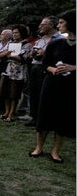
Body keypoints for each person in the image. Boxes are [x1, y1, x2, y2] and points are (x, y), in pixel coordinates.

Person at [29, 9, 76, 163]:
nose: (59, 24)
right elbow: (45, 64)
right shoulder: (56, 42)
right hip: (51, 83)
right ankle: (38, 148)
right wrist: (53, 69)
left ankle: (55, 152)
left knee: (63, 117)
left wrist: (73, 67)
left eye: (62, 22)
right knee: (44, 115)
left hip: (70, 86)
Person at [25, 16, 63, 127]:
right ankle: (34, 117)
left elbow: (59, 55)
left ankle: (45, 119)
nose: (40, 26)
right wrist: (32, 53)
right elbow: (33, 53)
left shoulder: (59, 39)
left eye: (43, 24)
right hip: (35, 67)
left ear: (51, 25)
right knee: (34, 92)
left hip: (48, 69)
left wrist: (45, 53)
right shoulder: (41, 39)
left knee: (44, 94)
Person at [0, 25, 30, 122]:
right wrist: (8, 54)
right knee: (6, 92)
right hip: (7, 70)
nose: (14, 34)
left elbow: (23, 59)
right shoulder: (10, 43)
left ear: (22, 33)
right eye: (14, 33)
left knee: (14, 93)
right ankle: (7, 111)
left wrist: (8, 54)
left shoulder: (26, 44)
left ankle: (12, 113)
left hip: (18, 72)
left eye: (17, 33)